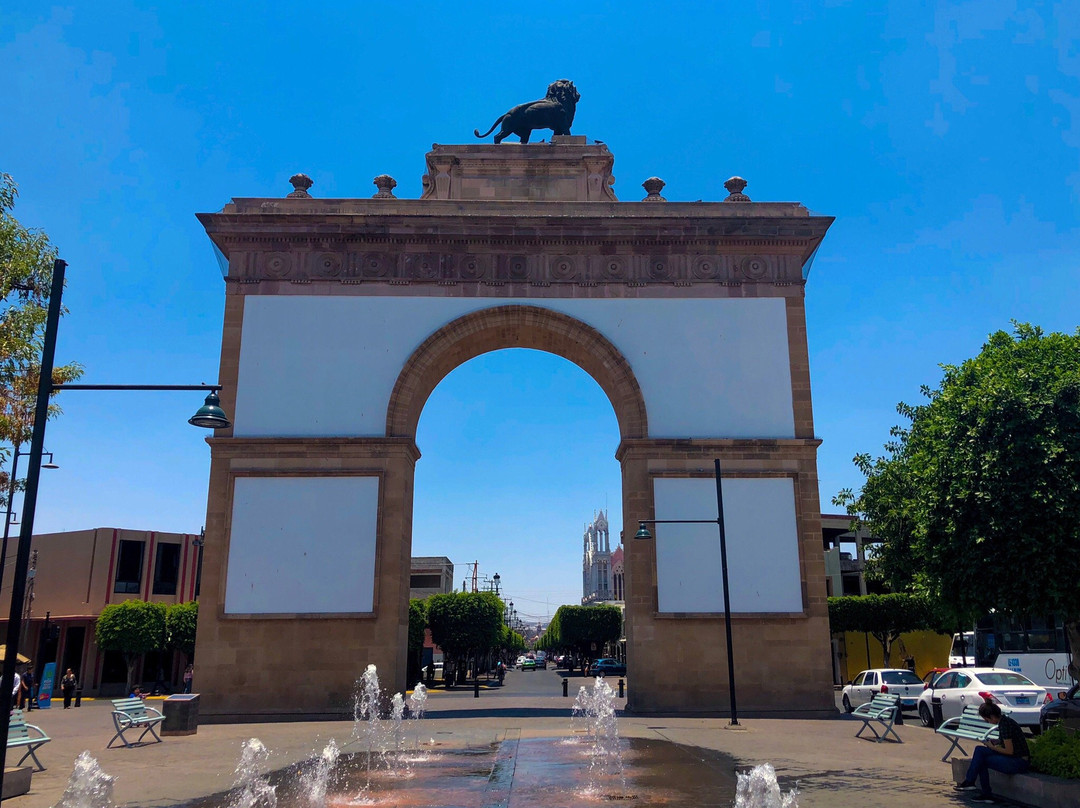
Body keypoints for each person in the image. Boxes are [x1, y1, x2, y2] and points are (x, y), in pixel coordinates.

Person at [953, 700, 1029, 803]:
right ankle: (975, 785)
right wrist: (996, 742)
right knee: (980, 751)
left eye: (987, 720)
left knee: (982, 759)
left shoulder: (1005, 725)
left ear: (992, 717)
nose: (988, 722)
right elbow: (1008, 742)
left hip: (1018, 762)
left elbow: (1009, 751)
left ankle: (976, 786)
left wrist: (991, 747)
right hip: (1015, 758)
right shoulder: (1005, 722)